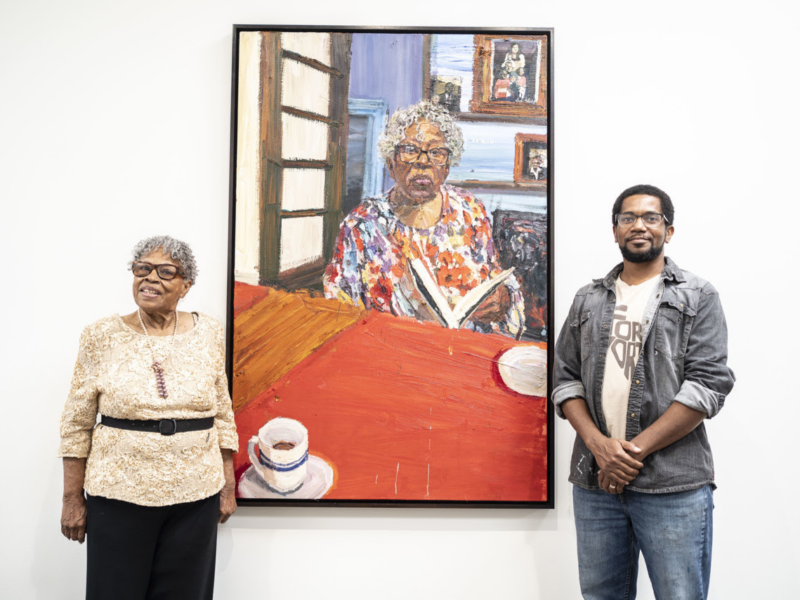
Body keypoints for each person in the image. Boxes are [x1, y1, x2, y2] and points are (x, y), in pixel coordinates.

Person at [552, 184, 735, 599]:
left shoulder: (697, 295)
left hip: (673, 485)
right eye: (627, 218)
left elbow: (707, 387)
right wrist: (599, 447)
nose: (639, 226)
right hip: (596, 484)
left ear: (668, 231)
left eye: (651, 218)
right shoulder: (587, 299)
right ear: (614, 230)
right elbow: (564, 380)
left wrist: (629, 454)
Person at [59, 235, 238, 600]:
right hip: (119, 493)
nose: (150, 279)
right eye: (142, 269)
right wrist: (71, 499)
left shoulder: (210, 333)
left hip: (196, 494)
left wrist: (227, 484)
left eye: (165, 272)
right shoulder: (100, 335)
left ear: (186, 285)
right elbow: (76, 422)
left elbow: (222, 411)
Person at [323, 100, 525, 338]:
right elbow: (338, 309)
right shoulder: (361, 225)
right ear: (390, 163)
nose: (423, 162)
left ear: (447, 166)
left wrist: (503, 300)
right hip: (390, 354)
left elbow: (497, 280)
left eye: (436, 152)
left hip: (462, 351)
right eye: (410, 150)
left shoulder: (471, 212)